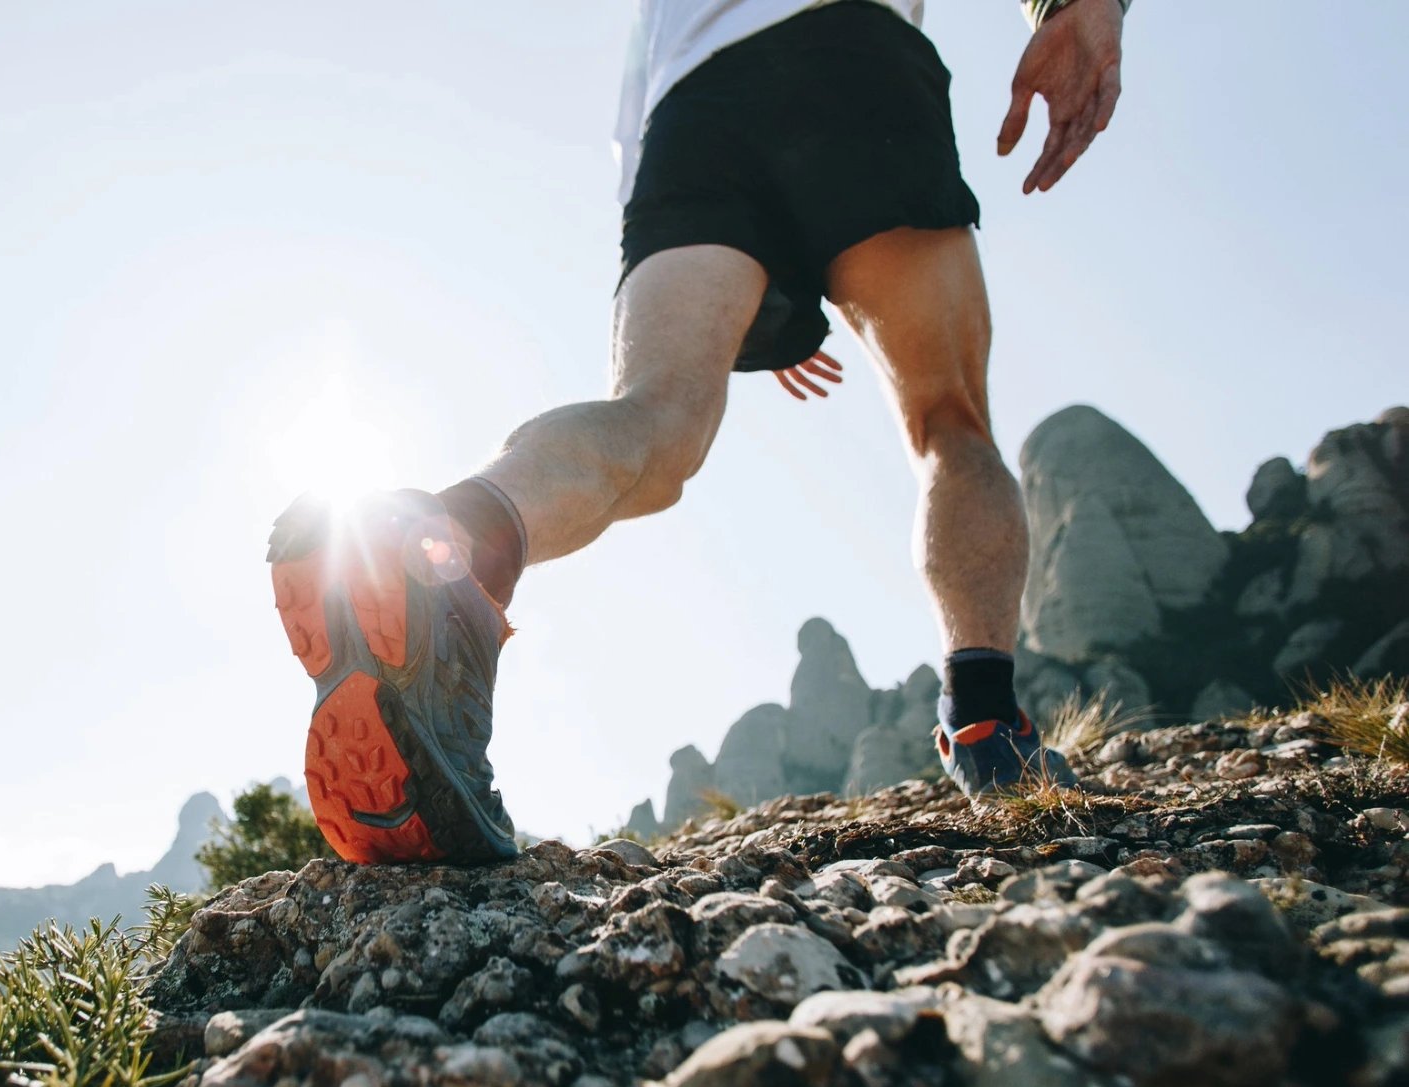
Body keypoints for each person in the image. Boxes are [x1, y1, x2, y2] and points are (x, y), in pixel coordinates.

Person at [267, 0, 1130, 864]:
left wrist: (745, 291)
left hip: (691, 108)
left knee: (656, 419)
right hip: (849, 52)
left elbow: (634, 111)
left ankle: (439, 539)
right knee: (949, 423)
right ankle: (984, 721)